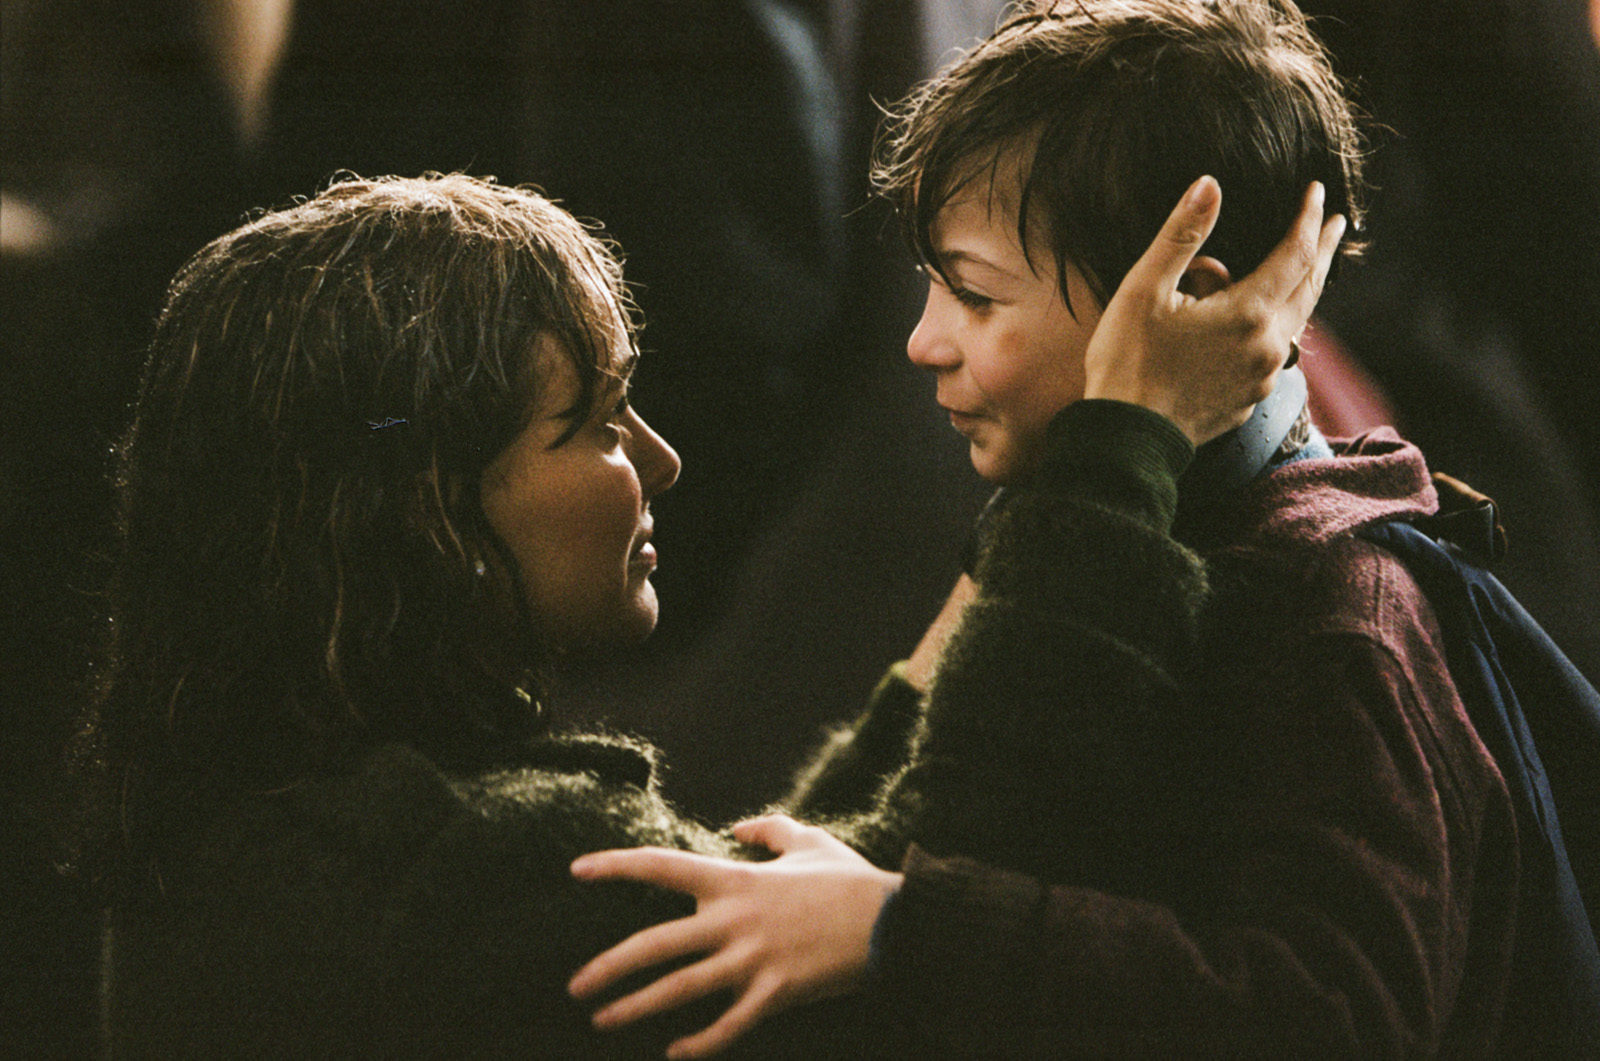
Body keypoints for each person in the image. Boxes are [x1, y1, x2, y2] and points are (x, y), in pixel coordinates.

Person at [567, 1, 1525, 1056]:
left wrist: (901, 927)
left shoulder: (1334, 617)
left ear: (1183, 298)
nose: (924, 341)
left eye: (975, 297)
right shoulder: (1095, 524)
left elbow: (1338, 1016)